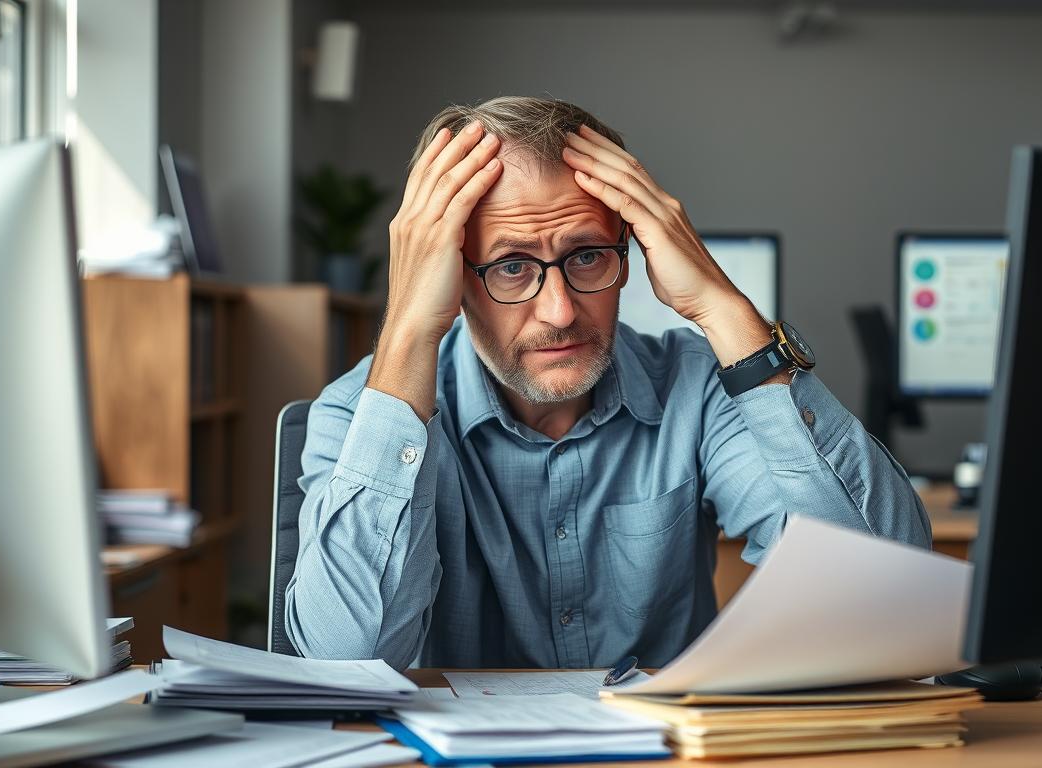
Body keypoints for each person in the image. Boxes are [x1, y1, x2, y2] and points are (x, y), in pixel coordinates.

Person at [285, 96, 931, 670]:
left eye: (588, 256)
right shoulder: (357, 417)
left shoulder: (699, 389)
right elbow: (345, 666)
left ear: (632, 250)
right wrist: (406, 333)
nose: (561, 311)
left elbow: (883, 587)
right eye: (512, 266)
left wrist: (721, 307)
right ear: (451, 276)